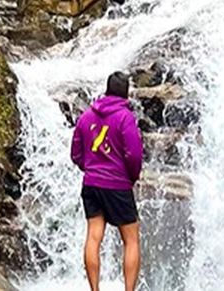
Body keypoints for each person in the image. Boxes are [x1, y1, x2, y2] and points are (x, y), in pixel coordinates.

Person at [70, 71, 144, 291]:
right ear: (126, 94)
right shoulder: (124, 117)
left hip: (91, 184)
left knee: (93, 236)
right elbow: (134, 154)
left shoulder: (86, 116)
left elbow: (76, 153)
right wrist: (130, 177)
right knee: (131, 240)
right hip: (117, 184)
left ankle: (95, 290)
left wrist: (90, 168)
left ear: (107, 89)